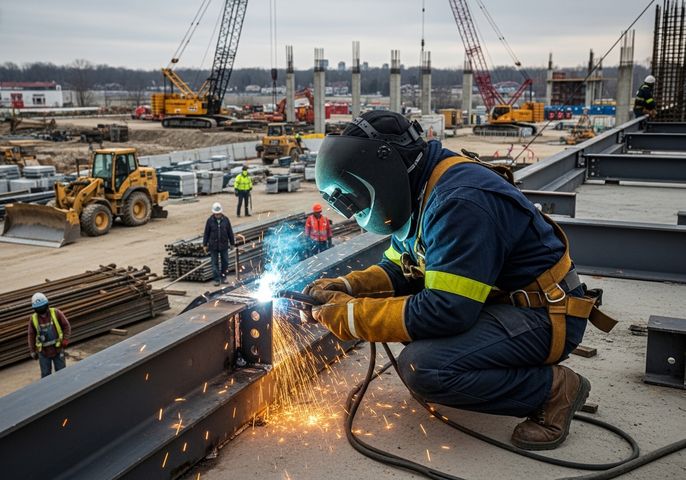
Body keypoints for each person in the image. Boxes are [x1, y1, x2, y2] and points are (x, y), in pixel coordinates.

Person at [304, 111, 616, 451]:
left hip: (543, 316)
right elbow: (401, 268)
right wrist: (349, 286)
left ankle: (553, 389)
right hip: (498, 303)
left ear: (383, 171)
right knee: (420, 342)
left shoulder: (459, 201)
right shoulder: (420, 188)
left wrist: (352, 317)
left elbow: (445, 311)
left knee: (426, 367)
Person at [28, 293, 71, 378]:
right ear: (35, 309)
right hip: (43, 352)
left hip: (58, 349)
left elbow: (66, 326)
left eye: (42, 307)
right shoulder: (33, 319)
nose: (41, 310)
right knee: (45, 375)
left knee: (62, 373)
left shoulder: (56, 313)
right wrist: (32, 350)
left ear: (47, 305)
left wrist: (65, 339)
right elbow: (31, 335)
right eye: (39, 308)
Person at [203, 202, 236, 286]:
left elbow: (230, 232)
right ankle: (217, 279)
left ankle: (223, 277)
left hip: (224, 245)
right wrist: (205, 245)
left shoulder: (226, 220)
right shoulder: (209, 221)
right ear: (213, 213)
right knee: (214, 263)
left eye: (219, 214)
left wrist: (232, 243)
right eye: (216, 214)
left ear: (221, 212)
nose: (217, 215)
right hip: (213, 246)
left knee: (225, 262)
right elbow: (206, 233)